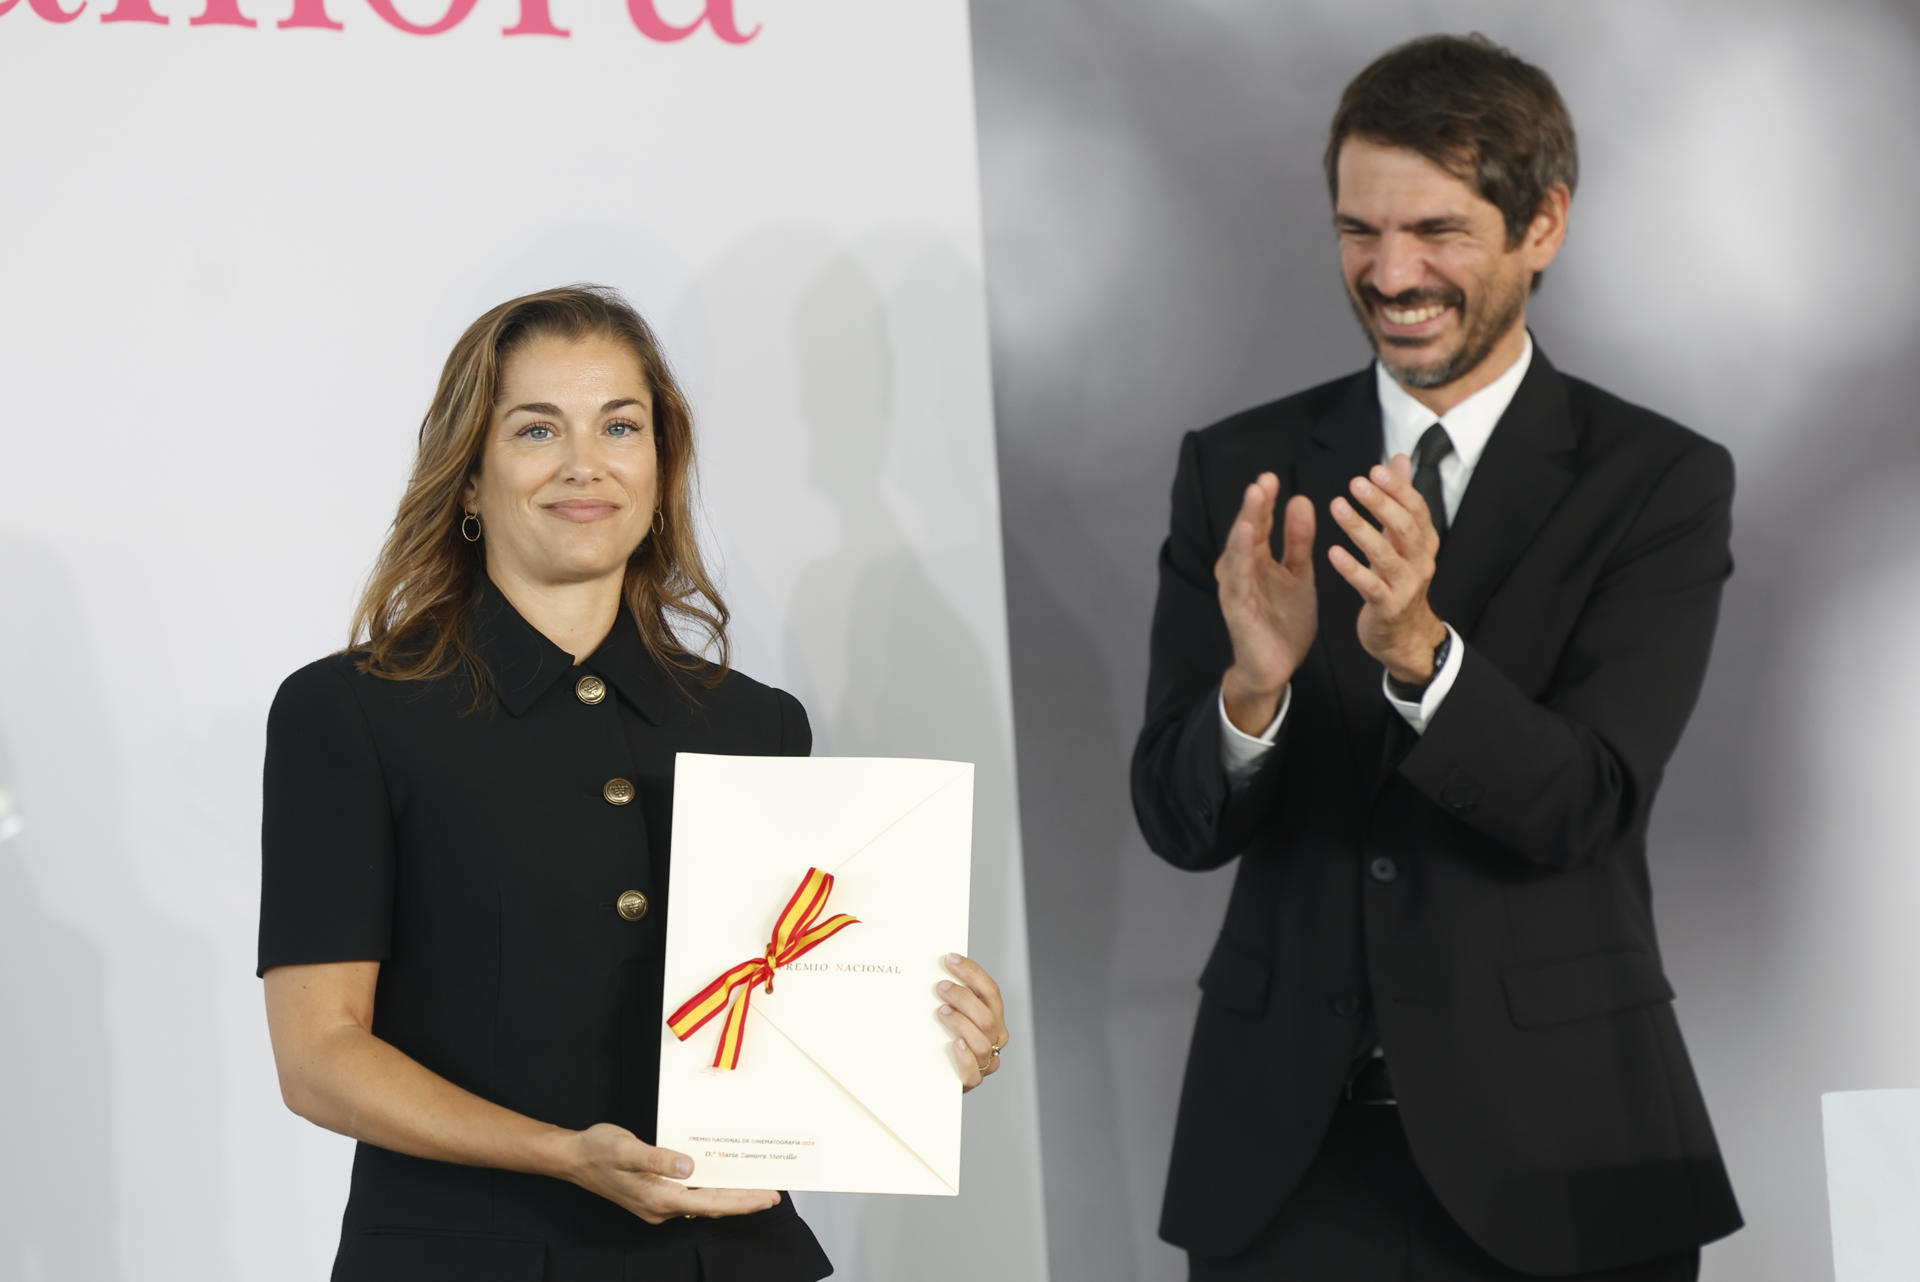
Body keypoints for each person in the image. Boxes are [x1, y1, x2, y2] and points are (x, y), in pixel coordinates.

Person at [1131, 34, 1741, 1282]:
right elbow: (1177, 818)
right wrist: (1252, 690)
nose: (1391, 272)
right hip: (1291, 1166)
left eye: (1437, 231)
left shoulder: (1659, 482)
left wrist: (1420, 653)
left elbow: (1584, 802)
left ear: (1544, 224)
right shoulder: (1235, 464)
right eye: (1359, 230)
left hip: (1570, 1150)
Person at [259, 284, 1010, 1281]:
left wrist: (924, 1052)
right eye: (536, 429)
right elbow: (318, 1059)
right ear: (471, 482)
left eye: (621, 425)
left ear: (660, 467)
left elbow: (786, 1028)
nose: (585, 463)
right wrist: (562, 1155)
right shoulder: (349, 711)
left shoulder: (758, 723)